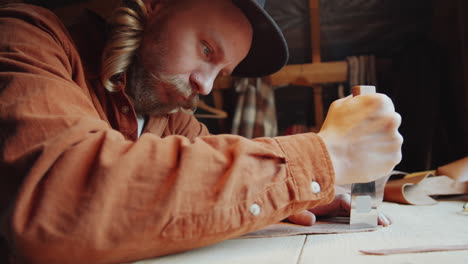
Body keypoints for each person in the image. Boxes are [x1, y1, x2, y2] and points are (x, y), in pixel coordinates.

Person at [0, 0, 402, 263]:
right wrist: (326, 155)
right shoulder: (27, 38)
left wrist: (301, 190)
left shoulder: (169, 118)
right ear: (156, 6)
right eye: (207, 50)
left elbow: (212, 168)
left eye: (221, 72)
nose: (206, 86)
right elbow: (56, 204)